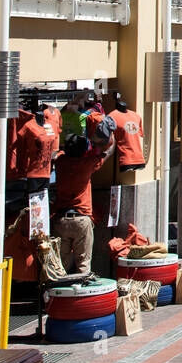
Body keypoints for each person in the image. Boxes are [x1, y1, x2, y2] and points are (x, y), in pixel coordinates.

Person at [53, 112, 115, 277]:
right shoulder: (87, 164)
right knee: (83, 266)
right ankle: (80, 298)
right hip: (81, 220)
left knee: (60, 266)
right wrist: (111, 137)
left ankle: (60, 297)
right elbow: (107, 152)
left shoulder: (60, 163)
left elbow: (56, 154)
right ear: (82, 152)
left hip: (60, 220)